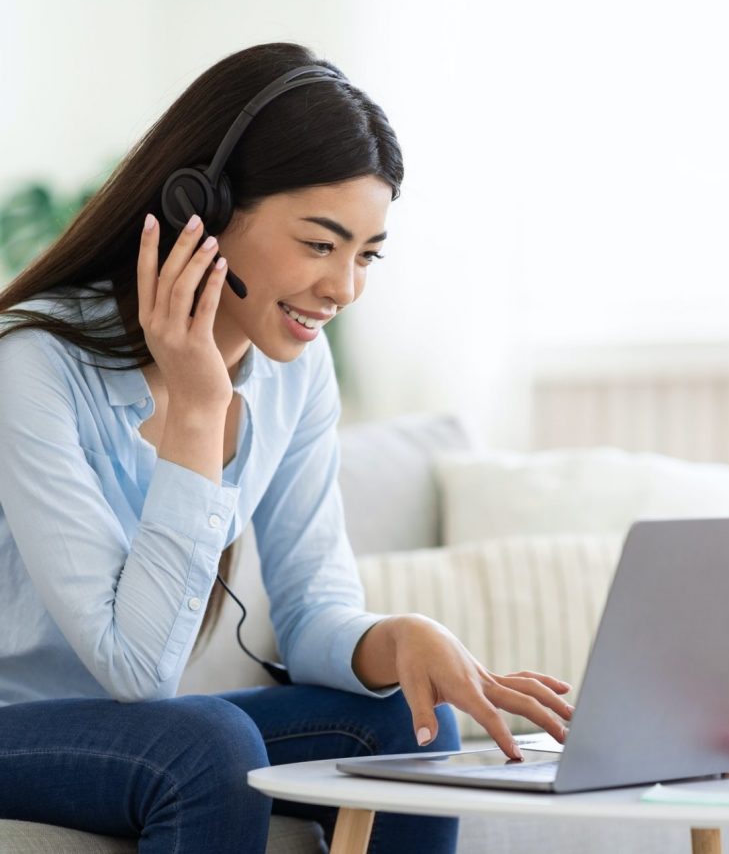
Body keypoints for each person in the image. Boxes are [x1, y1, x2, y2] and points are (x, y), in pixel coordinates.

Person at [0, 42, 573, 853]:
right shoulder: (33, 365)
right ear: (205, 205)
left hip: (144, 732)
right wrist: (199, 410)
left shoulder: (292, 378)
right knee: (206, 747)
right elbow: (134, 673)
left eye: (365, 255)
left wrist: (396, 638)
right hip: (17, 726)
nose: (344, 288)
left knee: (410, 725)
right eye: (319, 244)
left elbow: (312, 613)